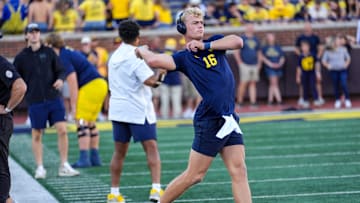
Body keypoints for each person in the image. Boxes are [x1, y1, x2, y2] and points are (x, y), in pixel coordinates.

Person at [136, 7, 252, 203]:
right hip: (211, 119)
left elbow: (238, 41)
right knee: (195, 175)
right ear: (182, 28)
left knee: (239, 170)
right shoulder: (184, 58)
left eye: (201, 23)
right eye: (195, 23)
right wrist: (142, 50)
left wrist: (206, 46)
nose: (200, 26)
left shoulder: (214, 43)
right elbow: (156, 60)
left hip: (228, 117)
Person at [107, 20, 165, 203]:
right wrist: (163, 72)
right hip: (137, 109)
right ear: (138, 36)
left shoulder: (114, 56)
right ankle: (156, 189)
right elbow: (152, 82)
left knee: (119, 153)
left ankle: (114, 193)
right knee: (152, 148)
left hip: (118, 110)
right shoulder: (134, 56)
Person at [13, 23, 79, 179]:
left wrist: (61, 80)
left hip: (53, 98)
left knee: (62, 130)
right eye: (31, 31)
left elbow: (61, 70)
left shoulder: (49, 52)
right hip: (35, 101)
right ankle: (40, 167)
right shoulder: (21, 57)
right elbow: (16, 78)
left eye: (37, 31)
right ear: (26, 35)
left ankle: (64, 165)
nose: (35, 34)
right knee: (36, 134)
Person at [45, 33, 108, 168]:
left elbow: (72, 81)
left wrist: (73, 107)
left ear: (51, 45)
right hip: (100, 84)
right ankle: (95, 157)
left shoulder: (62, 56)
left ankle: (84, 158)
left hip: (90, 85)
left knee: (80, 120)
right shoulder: (67, 52)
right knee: (90, 122)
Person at [0, 55, 27, 203]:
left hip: (1, 121)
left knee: (0, 169)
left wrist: (8, 108)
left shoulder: (1, 63)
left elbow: (20, 86)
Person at [295, 22, 324, 106]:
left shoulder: (315, 37)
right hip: (304, 64)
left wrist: (317, 57)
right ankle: (303, 98)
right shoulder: (300, 37)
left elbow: (320, 48)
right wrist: (302, 55)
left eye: (309, 27)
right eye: (306, 27)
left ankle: (319, 97)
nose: (307, 28)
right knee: (303, 82)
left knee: (317, 80)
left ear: (311, 28)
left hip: (313, 62)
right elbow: (296, 49)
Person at [234, 23, 261, 108]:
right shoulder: (242, 38)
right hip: (245, 64)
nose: (250, 28)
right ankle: (239, 102)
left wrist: (259, 63)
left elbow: (259, 52)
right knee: (243, 83)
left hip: (254, 64)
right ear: (245, 28)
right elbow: (236, 51)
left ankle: (253, 103)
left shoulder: (256, 39)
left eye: (251, 27)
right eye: (248, 27)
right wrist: (240, 62)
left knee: (253, 83)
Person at [322, 35, 352, 108]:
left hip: (342, 70)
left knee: (343, 84)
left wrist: (346, 65)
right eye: (337, 40)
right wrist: (327, 65)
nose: (338, 42)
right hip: (334, 71)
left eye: (339, 40)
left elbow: (348, 58)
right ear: (334, 41)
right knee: (336, 85)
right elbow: (323, 60)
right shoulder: (328, 50)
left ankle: (347, 99)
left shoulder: (343, 49)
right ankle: (337, 100)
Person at [262, 33, 285, 105]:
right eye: (269, 37)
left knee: (273, 84)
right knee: (274, 83)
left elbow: (282, 57)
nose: (271, 38)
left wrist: (280, 63)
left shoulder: (278, 47)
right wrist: (270, 64)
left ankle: (270, 100)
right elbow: (262, 57)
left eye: (272, 36)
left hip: (278, 67)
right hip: (270, 68)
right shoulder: (265, 47)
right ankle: (279, 100)